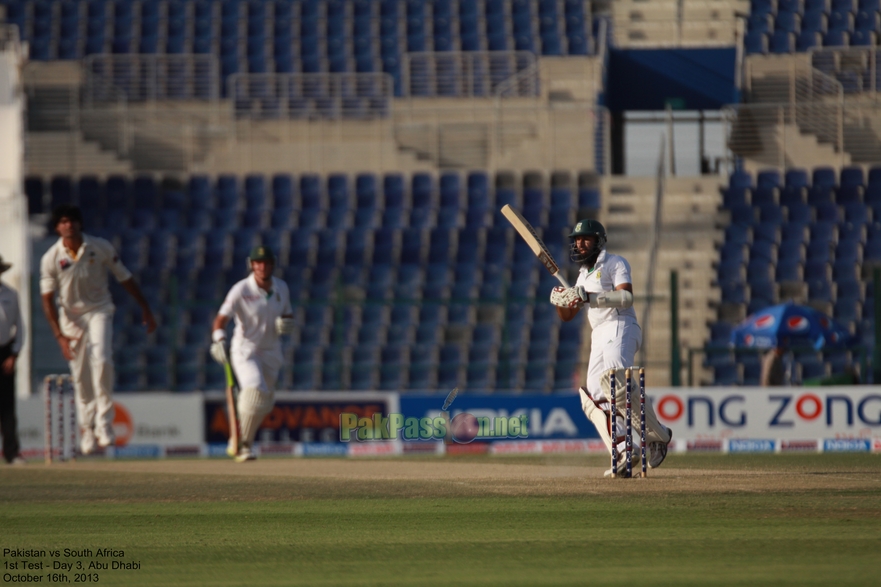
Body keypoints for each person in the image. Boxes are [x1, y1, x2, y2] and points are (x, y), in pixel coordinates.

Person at [550, 219, 672, 476]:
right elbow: (567, 316)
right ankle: (623, 450)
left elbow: (626, 298)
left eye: (585, 239)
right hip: (599, 333)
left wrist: (588, 297)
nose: (580, 244)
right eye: (577, 240)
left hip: (620, 324)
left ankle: (657, 435)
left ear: (598, 241)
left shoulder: (615, 262)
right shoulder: (582, 275)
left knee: (616, 385)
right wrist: (563, 299)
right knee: (593, 396)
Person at [40, 205, 157, 455]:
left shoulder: (99, 246)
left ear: (79, 223)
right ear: (57, 227)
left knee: (103, 359)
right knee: (81, 377)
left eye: (72, 220)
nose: (68, 225)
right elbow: (47, 299)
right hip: (71, 319)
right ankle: (87, 429)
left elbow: (124, 277)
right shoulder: (51, 257)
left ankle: (104, 425)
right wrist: (59, 336)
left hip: (99, 310)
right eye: (63, 222)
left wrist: (145, 307)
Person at [210, 246, 294, 462]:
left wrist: (287, 324)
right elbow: (221, 319)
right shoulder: (241, 289)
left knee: (264, 400)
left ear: (272, 264)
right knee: (254, 389)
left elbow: (288, 315)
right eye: (258, 262)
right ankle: (243, 445)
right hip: (245, 349)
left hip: (271, 350)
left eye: (265, 262)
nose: (262, 266)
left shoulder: (281, 288)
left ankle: (241, 442)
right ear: (252, 264)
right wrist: (219, 339)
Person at [0, 255, 26, 465]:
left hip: (4, 353)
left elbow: (20, 327)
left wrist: (14, 355)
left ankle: (12, 453)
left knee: (7, 406)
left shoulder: (11, 294)